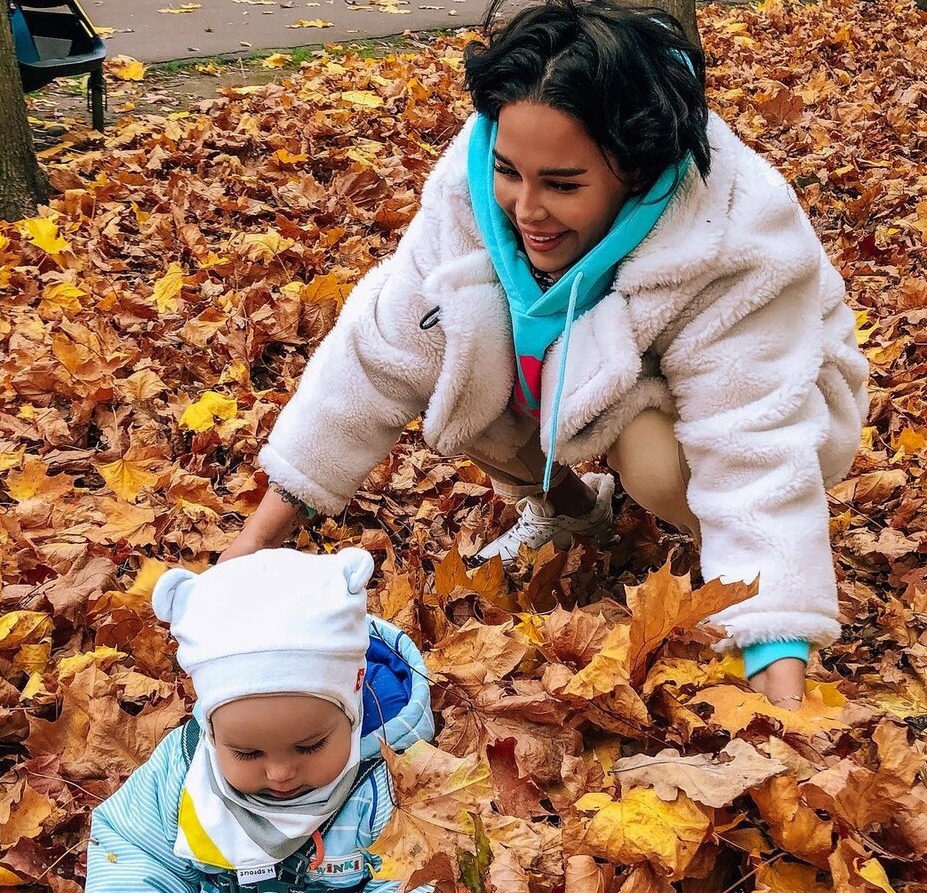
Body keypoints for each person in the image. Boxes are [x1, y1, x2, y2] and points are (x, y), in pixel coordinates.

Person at [221, 0, 868, 710]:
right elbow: (381, 351)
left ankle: (702, 542)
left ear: (634, 166)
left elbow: (755, 442)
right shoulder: (472, 186)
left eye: (562, 185)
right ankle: (568, 507)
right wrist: (255, 540)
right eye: (509, 172)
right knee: (456, 343)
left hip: (791, 402)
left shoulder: (731, 229)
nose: (525, 209)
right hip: (595, 367)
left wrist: (778, 671)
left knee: (652, 460)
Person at [60, 548, 451, 893]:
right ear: (212, 727)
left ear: (353, 702)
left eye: (310, 746)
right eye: (248, 754)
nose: (280, 773)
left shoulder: (388, 779)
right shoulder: (185, 771)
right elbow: (135, 863)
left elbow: (419, 884)